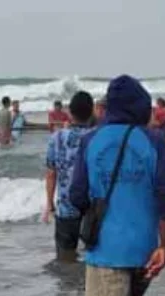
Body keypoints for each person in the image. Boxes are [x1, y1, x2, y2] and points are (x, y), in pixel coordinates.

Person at [69, 75, 165, 296]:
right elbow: (164, 195)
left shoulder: (90, 140)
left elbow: (76, 196)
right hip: (145, 246)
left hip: (107, 246)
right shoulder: (154, 140)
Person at [43, 91, 99, 263]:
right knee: (95, 256)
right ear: (92, 112)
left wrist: (50, 204)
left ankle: (69, 287)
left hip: (66, 205)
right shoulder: (98, 136)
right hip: (94, 206)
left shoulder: (57, 137)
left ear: (70, 112)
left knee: (65, 257)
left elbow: (51, 173)